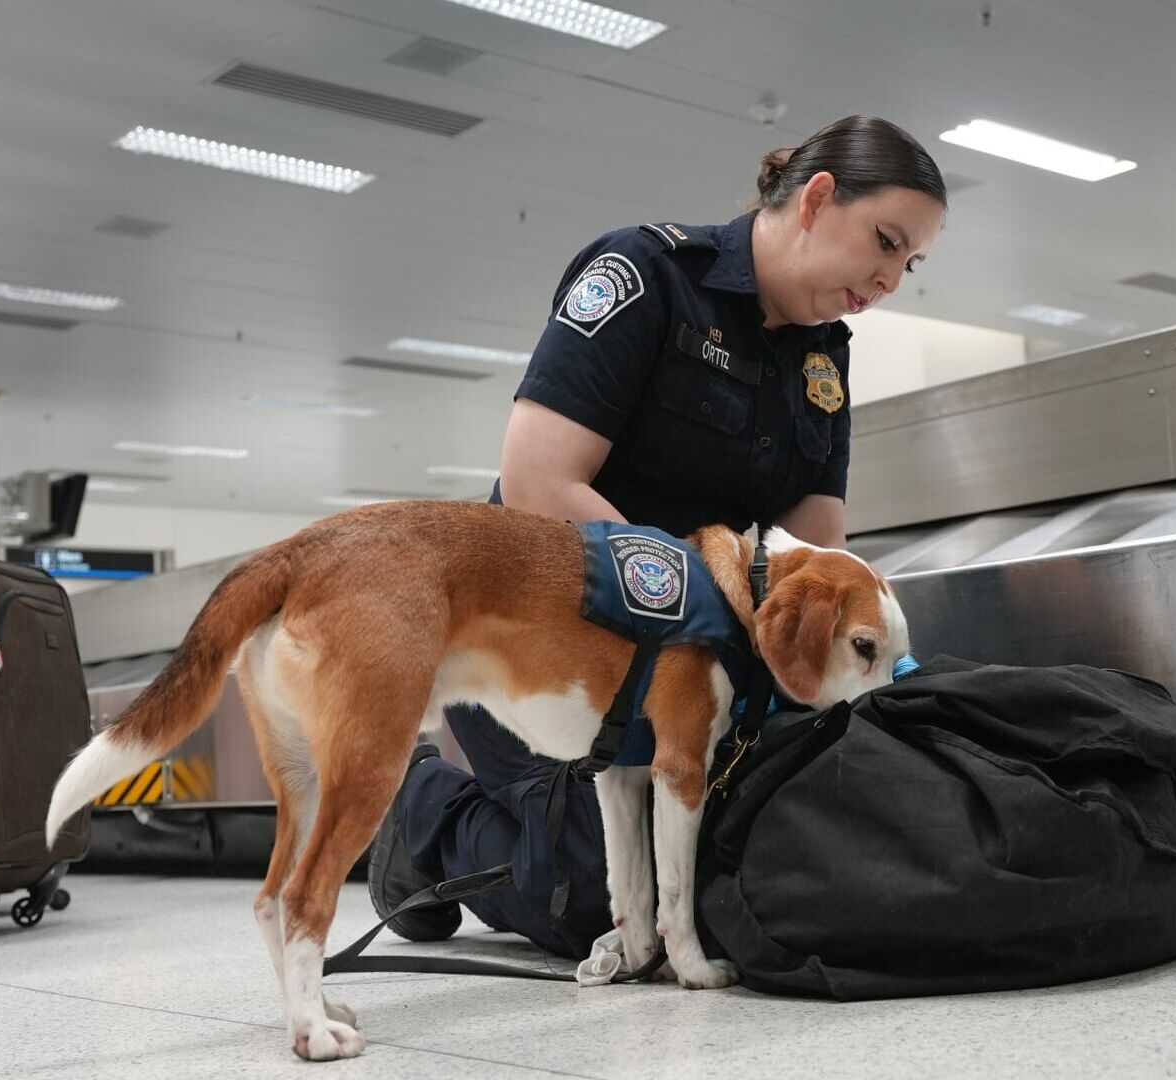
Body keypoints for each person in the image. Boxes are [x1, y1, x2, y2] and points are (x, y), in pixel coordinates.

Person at [368, 115, 948, 959]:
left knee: (738, 854)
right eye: (887, 242)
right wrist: (695, 606)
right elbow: (537, 481)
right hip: (553, 650)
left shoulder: (826, 359)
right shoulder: (645, 275)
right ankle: (424, 816)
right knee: (594, 897)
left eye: (910, 263)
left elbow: (811, 548)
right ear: (819, 200)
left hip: (697, 679)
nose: (893, 278)